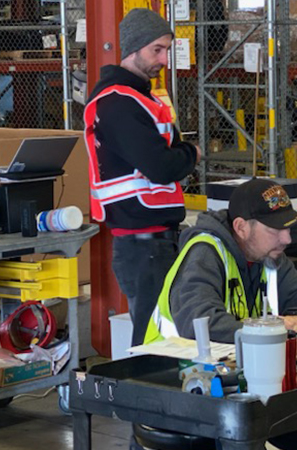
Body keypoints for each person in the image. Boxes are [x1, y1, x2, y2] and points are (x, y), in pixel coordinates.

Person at [143, 178, 297, 450]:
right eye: (276, 229)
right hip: (171, 388)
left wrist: (293, 321)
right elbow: (200, 323)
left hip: (231, 386)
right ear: (241, 227)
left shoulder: (268, 255)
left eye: (288, 228)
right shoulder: (205, 254)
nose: (287, 238)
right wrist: (282, 343)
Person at [83, 8, 201, 346]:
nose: (164, 59)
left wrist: (180, 154)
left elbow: (170, 151)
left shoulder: (141, 97)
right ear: (133, 48)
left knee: (161, 334)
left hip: (155, 240)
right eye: (157, 50)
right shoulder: (117, 103)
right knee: (152, 340)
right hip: (141, 244)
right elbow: (162, 165)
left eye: (167, 49)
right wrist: (190, 154)